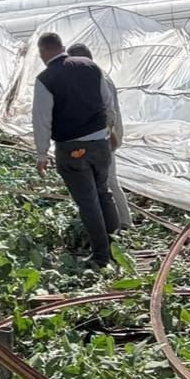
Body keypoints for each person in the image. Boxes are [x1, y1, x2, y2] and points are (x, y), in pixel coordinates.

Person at [32, 32, 121, 268]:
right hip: (100, 142)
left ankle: (102, 255)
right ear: (62, 47)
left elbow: (41, 119)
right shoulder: (91, 66)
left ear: (42, 53)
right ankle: (118, 245)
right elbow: (107, 102)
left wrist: (42, 153)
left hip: (71, 147)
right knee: (103, 192)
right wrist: (108, 129)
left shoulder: (45, 78)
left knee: (88, 200)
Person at [66, 42, 132, 230]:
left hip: (105, 137)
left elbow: (107, 113)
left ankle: (123, 223)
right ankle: (118, 221)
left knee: (108, 181)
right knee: (104, 181)